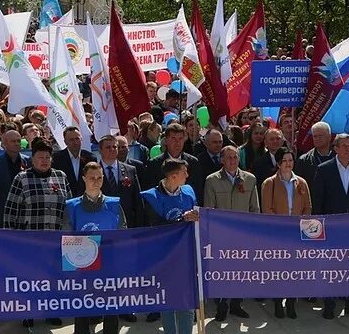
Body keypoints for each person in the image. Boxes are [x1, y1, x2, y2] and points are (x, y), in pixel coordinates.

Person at [3, 137, 70, 327]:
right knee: (30, 278)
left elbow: (69, 207)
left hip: (55, 239)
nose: (44, 160)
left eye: (47, 157)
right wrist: (11, 239)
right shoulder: (21, 178)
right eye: (40, 157)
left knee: (53, 277)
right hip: (29, 239)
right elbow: (10, 211)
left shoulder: (61, 176)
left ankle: (51, 311)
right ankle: (28, 312)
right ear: (32, 159)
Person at [312, 134, 349, 320]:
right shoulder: (324, 169)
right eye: (344, 146)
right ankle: (329, 305)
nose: (348, 148)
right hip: (332, 227)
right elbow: (318, 201)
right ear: (335, 148)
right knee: (332, 267)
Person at [64, 161, 125, 334]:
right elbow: (65, 236)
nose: (96, 181)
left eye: (99, 177)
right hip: (83, 265)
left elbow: (122, 233)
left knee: (111, 307)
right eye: (92, 178)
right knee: (82, 308)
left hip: (110, 264)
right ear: (84, 178)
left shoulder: (114, 204)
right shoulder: (72, 206)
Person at [140, 158, 200, 332]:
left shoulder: (188, 191)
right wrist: (182, 218)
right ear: (173, 176)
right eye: (184, 173)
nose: (187, 175)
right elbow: (157, 225)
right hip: (163, 257)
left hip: (186, 254)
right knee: (168, 302)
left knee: (186, 302)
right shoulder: (151, 196)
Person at [204, 145, 259, 321]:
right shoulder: (212, 180)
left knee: (240, 272)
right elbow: (209, 210)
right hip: (221, 235)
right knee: (222, 272)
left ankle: (236, 304)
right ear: (222, 160)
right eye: (229, 157)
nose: (233, 160)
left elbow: (254, 209)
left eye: (235, 157)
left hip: (243, 235)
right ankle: (221, 305)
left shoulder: (249, 179)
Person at [261, 146, 310, 319]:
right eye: (285, 161)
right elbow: (267, 209)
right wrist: (283, 226)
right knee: (278, 271)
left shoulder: (301, 182)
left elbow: (307, 207)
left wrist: (300, 225)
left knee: (294, 271)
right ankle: (277, 303)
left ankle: (291, 303)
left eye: (291, 160)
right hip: (278, 235)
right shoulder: (270, 183)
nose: (288, 164)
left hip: (296, 235)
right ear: (279, 164)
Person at [144, 123, 203, 203]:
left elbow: (198, 191)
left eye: (180, 139)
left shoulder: (193, 162)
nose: (177, 142)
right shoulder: (154, 164)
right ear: (166, 140)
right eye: (173, 138)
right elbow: (151, 193)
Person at [0, 129, 28, 228]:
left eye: (18, 141)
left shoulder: (28, 162)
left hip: (25, 217)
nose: (16, 143)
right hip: (1, 216)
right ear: (4, 144)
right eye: (13, 141)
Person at [98, 135, 144, 229]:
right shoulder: (92, 172)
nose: (112, 149)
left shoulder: (130, 170)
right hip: (102, 225)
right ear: (100, 150)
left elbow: (138, 202)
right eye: (108, 147)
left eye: (114, 147)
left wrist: (140, 227)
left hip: (127, 225)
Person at [51, 126, 95, 198]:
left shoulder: (90, 158)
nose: (75, 142)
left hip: (86, 200)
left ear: (81, 139)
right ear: (65, 142)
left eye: (77, 139)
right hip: (65, 199)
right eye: (71, 140)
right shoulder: (56, 159)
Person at [294, 121, 335, 188]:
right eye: (315, 136)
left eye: (320, 136)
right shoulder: (304, 160)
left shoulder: (339, 157)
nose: (317, 139)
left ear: (329, 137)